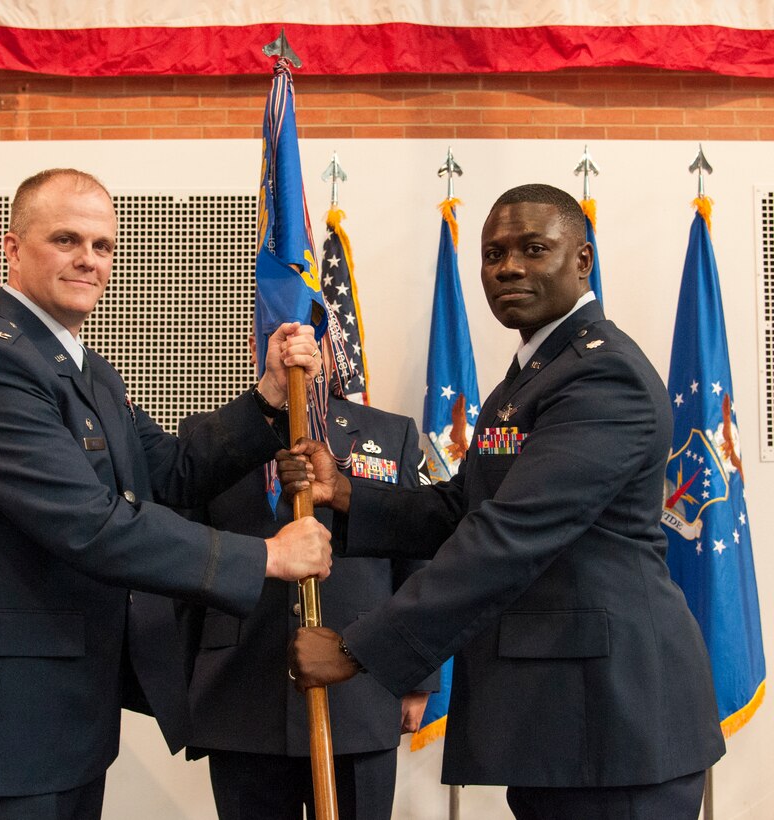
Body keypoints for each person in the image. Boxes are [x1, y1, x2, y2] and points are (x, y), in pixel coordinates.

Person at [0, 167, 332, 820]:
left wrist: (269, 395)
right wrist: (266, 557)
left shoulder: (85, 368)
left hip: (66, 719)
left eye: (103, 246)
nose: (89, 260)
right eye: (66, 239)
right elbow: (92, 525)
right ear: (12, 248)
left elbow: (172, 471)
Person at [284, 184, 726, 820]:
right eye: (493, 255)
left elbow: (510, 533)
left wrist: (358, 650)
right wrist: (345, 491)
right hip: (564, 720)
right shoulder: (534, 374)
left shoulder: (603, 375)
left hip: (613, 724)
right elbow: (466, 507)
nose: (509, 267)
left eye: (533, 249)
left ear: (583, 260)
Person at [171, 331, 436, 820]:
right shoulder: (209, 438)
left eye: (313, 337)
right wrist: (186, 679)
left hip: (359, 690)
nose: (299, 351)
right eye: (280, 335)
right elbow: (186, 572)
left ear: (337, 347)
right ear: (259, 346)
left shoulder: (389, 433)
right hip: (241, 689)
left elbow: (415, 553)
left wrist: (418, 676)